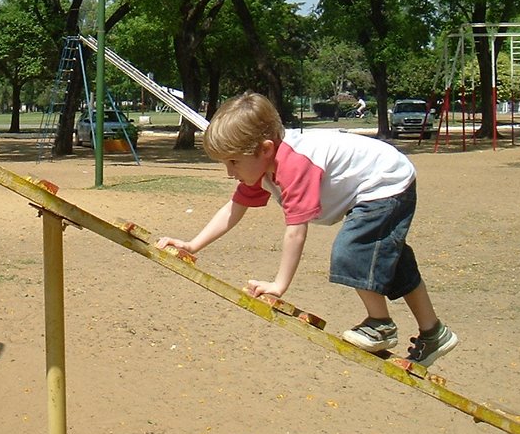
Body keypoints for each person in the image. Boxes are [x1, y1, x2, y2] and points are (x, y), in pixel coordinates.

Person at [155, 91, 458, 367]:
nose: (229, 172)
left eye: (233, 162)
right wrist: (192, 245)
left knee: (352, 250)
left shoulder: (294, 165)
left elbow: (296, 231)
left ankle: (380, 324)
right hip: (379, 183)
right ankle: (434, 332)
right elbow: (233, 209)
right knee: (391, 263)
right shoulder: (264, 170)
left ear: (264, 149)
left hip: (386, 182)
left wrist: (279, 284)